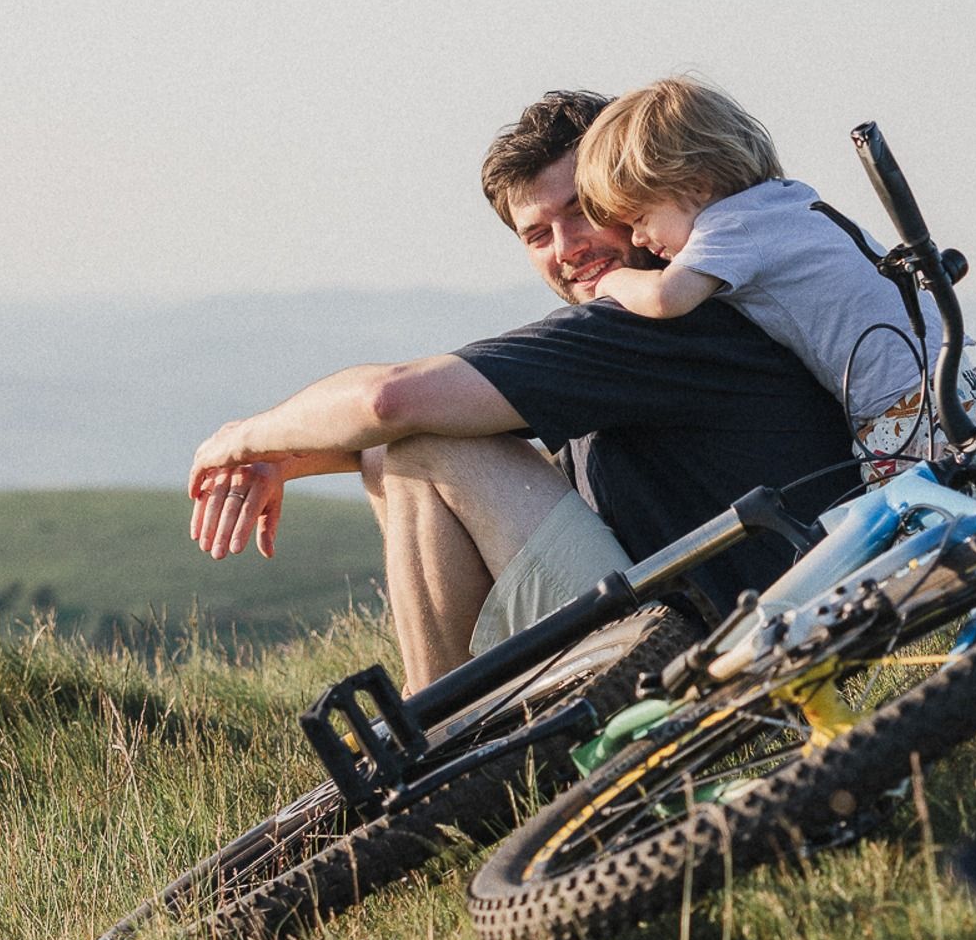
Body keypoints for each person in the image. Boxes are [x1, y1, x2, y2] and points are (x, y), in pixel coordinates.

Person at [188, 90, 859, 688]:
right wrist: (290, 458)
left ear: (632, 194)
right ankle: (469, 738)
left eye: (582, 211)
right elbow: (443, 418)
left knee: (420, 446)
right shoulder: (671, 313)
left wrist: (239, 437)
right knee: (387, 452)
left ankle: (439, 761)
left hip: (715, 657)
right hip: (718, 630)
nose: (566, 247)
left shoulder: (663, 321)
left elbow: (388, 401)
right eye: (538, 233)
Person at [574, 75, 976, 471]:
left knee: (912, 540)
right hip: (953, 381)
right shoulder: (783, 200)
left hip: (904, 407)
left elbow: (668, 298)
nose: (637, 240)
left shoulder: (731, 227)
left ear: (696, 186)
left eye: (641, 218)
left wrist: (607, 282)